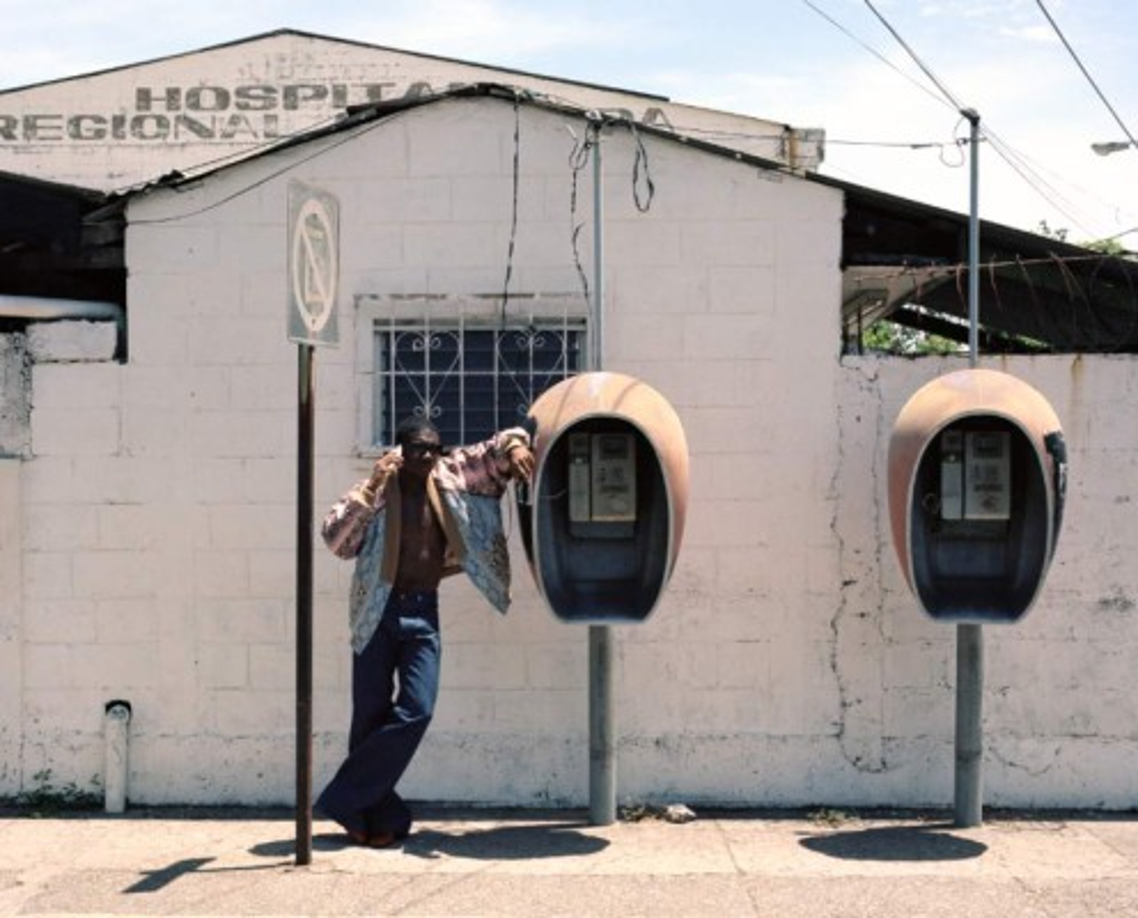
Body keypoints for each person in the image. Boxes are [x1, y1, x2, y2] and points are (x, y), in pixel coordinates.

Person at [316, 416, 534, 847]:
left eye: (433, 448)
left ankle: (343, 798)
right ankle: (377, 818)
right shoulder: (377, 490)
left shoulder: (450, 474)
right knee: (369, 718)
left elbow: (499, 445)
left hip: (422, 612)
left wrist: (515, 449)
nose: (425, 456)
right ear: (399, 450)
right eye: (416, 448)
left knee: (418, 708)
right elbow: (336, 540)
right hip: (376, 612)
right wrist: (371, 487)